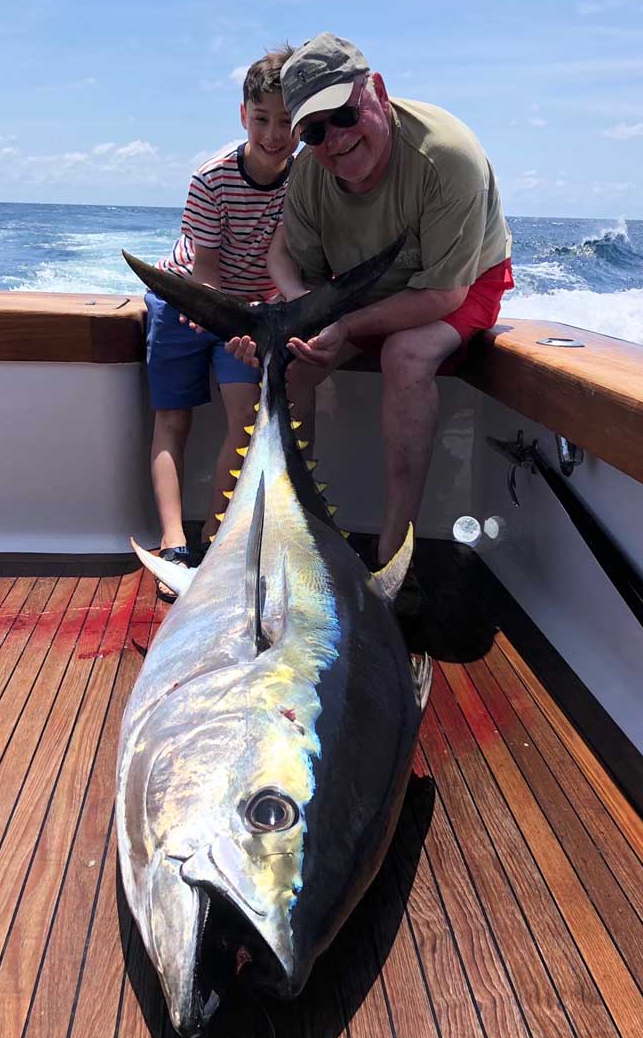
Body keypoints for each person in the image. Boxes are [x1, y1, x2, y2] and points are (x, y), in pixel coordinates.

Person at [229, 32, 513, 613]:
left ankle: (392, 562)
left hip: (455, 283)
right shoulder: (310, 175)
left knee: (405, 357)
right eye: (313, 131)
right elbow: (283, 256)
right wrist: (302, 311)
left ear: (376, 92)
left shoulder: (444, 156)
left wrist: (345, 324)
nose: (335, 140)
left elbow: (442, 293)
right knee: (291, 364)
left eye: (344, 114)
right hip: (355, 287)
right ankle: (290, 544)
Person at [143, 46, 296, 600]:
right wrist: (224, 315)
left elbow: (285, 257)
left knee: (245, 420)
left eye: (287, 121)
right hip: (188, 301)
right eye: (262, 119)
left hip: (249, 315)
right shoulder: (211, 178)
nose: (275, 134)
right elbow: (205, 270)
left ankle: (213, 538)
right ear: (243, 116)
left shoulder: (305, 182)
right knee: (172, 418)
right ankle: (172, 542)